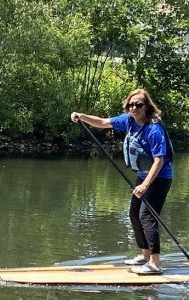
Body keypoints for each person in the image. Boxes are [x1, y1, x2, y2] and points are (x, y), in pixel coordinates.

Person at [70, 88, 173, 274]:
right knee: (134, 214)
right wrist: (81, 116)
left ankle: (156, 263)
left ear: (147, 107)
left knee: (147, 217)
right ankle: (145, 256)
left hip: (159, 178)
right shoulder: (128, 121)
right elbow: (102, 122)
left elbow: (159, 160)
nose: (134, 108)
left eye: (139, 105)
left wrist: (145, 185)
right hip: (143, 176)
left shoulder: (153, 129)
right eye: (131, 104)